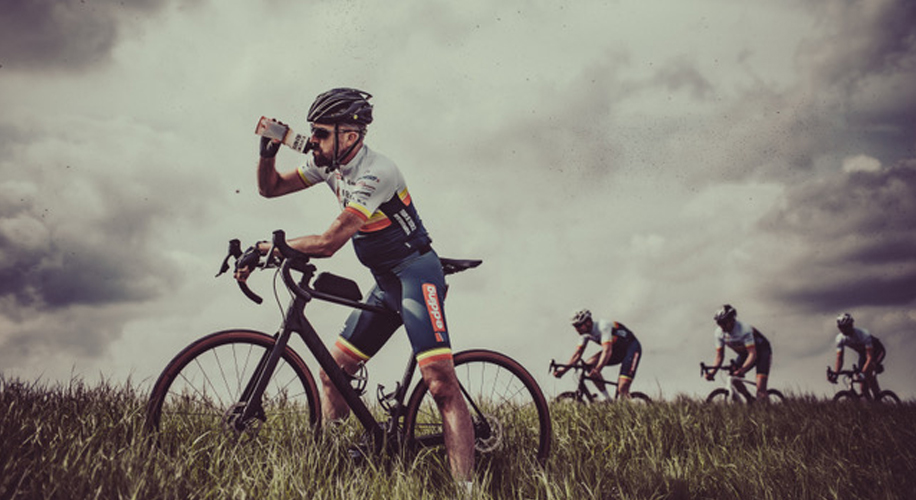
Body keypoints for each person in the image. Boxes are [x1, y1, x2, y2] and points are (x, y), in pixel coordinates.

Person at [235, 88, 474, 483]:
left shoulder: (377, 171)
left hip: (416, 274)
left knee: (440, 383)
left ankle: (467, 489)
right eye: (312, 132)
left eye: (321, 134)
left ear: (349, 135)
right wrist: (267, 153)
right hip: (385, 283)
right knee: (333, 373)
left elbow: (329, 243)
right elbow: (270, 188)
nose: (313, 141)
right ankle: (336, 467)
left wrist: (271, 248)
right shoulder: (330, 166)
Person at [552, 309, 642, 400]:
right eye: (575, 326)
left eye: (579, 325)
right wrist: (563, 371)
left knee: (622, 389)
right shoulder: (584, 335)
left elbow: (607, 351)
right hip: (616, 351)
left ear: (588, 322)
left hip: (631, 349)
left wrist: (598, 369)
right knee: (589, 364)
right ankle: (608, 399)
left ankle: (629, 410)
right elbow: (577, 355)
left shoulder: (603, 327)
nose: (577, 329)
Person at [704, 304, 773, 402]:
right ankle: (750, 400)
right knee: (733, 378)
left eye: (724, 322)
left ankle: (768, 412)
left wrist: (742, 370)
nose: (721, 326)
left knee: (761, 389)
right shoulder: (719, 333)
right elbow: (719, 356)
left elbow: (753, 354)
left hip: (762, 352)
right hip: (745, 354)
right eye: (719, 323)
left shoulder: (744, 330)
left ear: (732, 319)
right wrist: (712, 373)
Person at [829, 313, 887, 398]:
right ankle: (873, 407)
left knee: (867, 373)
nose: (843, 330)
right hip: (863, 355)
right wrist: (836, 374)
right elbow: (839, 359)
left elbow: (870, 357)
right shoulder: (840, 339)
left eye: (845, 327)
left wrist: (866, 370)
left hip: (877, 351)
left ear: (851, 325)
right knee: (863, 387)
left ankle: (878, 397)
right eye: (840, 327)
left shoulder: (863, 334)